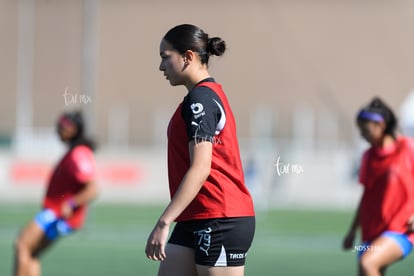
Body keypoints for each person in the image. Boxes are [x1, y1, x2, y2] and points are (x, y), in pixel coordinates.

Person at [145, 24, 255, 276]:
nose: (161, 66)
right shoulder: (199, 97)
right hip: (194, 216)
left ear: (188, 57)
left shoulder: (201, 100)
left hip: (219, 217)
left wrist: (164, 221)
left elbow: (201, 167)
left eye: (165, 57)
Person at [14, 111, 98, 276]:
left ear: (75, 129)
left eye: (63, 126)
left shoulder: (79, 154)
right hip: (56, 212)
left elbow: (92, 189)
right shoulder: (73, 152)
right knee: (31, 253)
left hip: (57, 214)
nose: (58, 129)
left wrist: (72, 203)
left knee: (22, 244)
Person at [343, 97, 414, 276]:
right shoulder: (368, 156)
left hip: (401, 227)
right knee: (367, 268)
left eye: (365, 130)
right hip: (372, 229)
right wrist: (352, 230)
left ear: (380, 125)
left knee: (368, 262)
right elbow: (367, 195)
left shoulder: (407, 148)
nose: (362, 135)